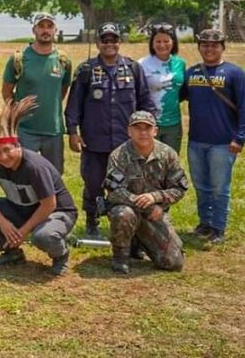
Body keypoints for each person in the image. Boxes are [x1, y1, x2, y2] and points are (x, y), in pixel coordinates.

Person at [0, 97, 77, 276]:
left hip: (57, 212)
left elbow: (49, 204)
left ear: (18, 146)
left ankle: (61, 255)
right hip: (23, 210)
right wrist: (3, 223)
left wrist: (23, 231)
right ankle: (12, 254)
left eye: (7, 150)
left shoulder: (34, 166)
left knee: (42, 236)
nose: (3, 157)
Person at [64, 22, 155, 239]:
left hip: (126, 143)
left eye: (113, 40)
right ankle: (92, 223)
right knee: (94, 183)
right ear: (98, 43)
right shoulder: (86, 70)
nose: (109, 44)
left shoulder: (133, 69)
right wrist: (73, 132)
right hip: (95, 141)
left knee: (129, 184)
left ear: (119, 42)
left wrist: (149, 132)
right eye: (105, 40)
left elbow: (146, 102)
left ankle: (130, 225)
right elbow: (73, 106)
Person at [180, 29, 245, 244]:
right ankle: (205, 222)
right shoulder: (192, 73)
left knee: (220, 187)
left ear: (222, 47)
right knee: (201, 185)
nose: (209, 49)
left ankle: (218, 227)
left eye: (214, 45)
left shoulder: (234, 73)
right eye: (205, 45)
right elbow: (178, 96)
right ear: (199, 47)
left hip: (223, 142)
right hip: (196, 140)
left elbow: (244, 107)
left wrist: (240, 137)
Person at [104, 111, 187, 275]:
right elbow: (114, 191)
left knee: (174, 263)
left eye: (147, 128)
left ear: (155, 131)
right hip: (128, 210)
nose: (143, 132)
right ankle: (120, 256)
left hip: (155, 213)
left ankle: (139, 241)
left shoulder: (168, 154)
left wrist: (156, 199)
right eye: (137, 128)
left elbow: (179, 188)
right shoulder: (118, 155)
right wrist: (144, 205)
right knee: (122, 214)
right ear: (129, 131)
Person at [2, 13, 72, 173]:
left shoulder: (63, 60)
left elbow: (63, 90)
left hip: (53, 130)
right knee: (24, 174)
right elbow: (7, 92)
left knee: (53, 176)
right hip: (25, 130)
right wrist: (18, 114)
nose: (45, 30)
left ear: (55, 30)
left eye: (49, 27)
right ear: (34, 30)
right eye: (41, 26)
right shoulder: (19, 59)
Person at [138, 23, 185, 152]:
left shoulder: (180, 63)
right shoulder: (142, 64)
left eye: (166, 41)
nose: (162, 45)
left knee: (170, 164)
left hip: (173, 124)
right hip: (149, 123)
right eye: (158, 41)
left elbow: (182, 91)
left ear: (173, 42)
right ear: (152, 43)